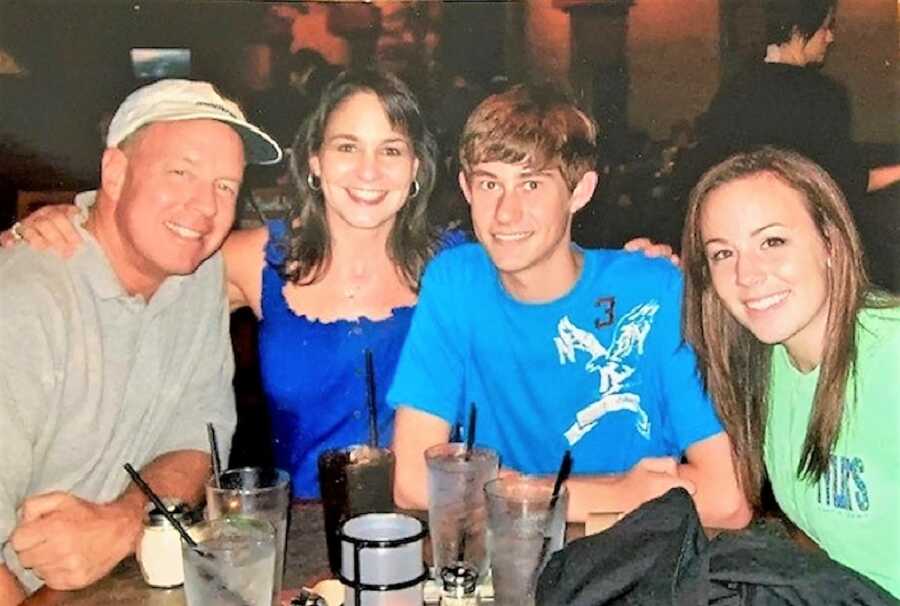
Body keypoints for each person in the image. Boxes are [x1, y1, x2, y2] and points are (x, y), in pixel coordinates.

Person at [2, 70, 674, 501]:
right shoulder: (246, 260)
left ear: (417, 171)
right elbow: (149, 254)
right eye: (347, 146)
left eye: (392, 150)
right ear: (315, 162)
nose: (369, 170)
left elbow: (555, 260)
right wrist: (79, 216)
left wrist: (641, 265)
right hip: (305, 546)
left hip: (441, 528)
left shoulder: (462, 267)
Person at [388, 83, 752, 528]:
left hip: (631, 567)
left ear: (580, 192)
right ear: (465, 187)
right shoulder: (455, 282)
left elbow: (727, 500)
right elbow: (412, 480)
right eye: (489, 183)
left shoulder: (653, 289)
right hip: (511, 561)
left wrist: (515, 496)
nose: (505, 212)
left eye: (532, 184)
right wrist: (619, 494)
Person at [0, 79, 282, 603]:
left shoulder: (196, 278)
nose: (205, 207)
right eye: (180, 173)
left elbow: (194, 439)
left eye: (225, 185)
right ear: (115, 173)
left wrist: (127, 519)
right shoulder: (25, 299)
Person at [680, 146, 899, 597]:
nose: (747, 274)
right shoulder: (765, 362)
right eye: (722, 254)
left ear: (832, 245)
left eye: (772, 242)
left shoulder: (889, 359)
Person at [676, 0, 900, 211]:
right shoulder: (822, 93)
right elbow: (847, 182)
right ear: (797, 30)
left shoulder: (736, 87)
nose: (830, 37)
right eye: (825, 27)